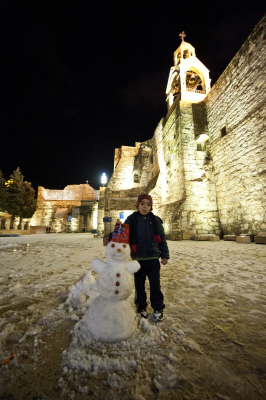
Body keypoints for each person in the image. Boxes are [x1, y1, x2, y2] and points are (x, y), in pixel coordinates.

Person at [103, 194, 169, 322]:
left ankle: (158, 308)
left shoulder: (156, 221)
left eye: (148, 204)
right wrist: (109, 237)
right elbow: (121, 233)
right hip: (138, 260)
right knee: (139, 286)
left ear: (151, 207)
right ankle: (141, 307)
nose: (145, 206)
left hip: (153, 258)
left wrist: (165, 255)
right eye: (142, 203)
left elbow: (162, 239)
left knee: (155, 285)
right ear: (137, 205)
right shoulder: (132, 219)